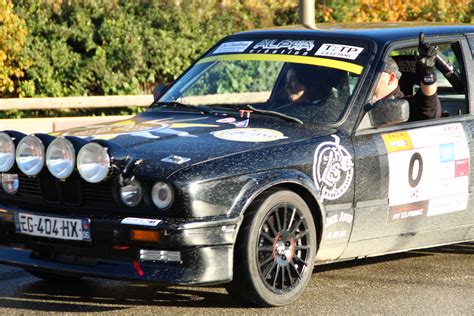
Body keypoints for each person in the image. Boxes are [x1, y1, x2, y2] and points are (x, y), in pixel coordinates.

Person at [372, 41, 441, 121]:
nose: (367, 80)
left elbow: (428, 102)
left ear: (390, 78)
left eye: (372, 75)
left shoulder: (407, 106)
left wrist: (428, 72)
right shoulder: (360, 100)